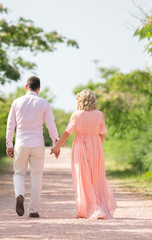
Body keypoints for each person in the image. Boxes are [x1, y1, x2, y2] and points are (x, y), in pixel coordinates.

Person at [50, 89, 117, 219]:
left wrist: (56, 147)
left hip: (80, 146)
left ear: (80, 100)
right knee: (96, 177)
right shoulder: (100, 114)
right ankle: (98, 206)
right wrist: (97, 145)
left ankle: (86, 209)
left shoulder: (77, 115)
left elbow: (66, 133)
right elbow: (102, 133)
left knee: (82, 177)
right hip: (96, 147)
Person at [6, 76, 59, 218]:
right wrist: (56, 144)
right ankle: (33, 210)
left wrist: (9, 144)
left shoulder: (16, 102)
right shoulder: (44, 103)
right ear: (39, 89)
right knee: (36, 176)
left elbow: (11, 125)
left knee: (19, 173)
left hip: (21, 144)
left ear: (26, 87)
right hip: (37, 144)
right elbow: (51, 125)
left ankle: (20, 194)